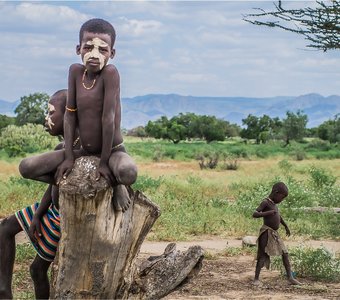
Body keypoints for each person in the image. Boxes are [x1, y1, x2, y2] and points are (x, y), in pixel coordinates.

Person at [19, 18, 137, 212]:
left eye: (102, 50)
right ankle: (65, 182)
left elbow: (108, 119)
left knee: (128, 172)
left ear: (112, 53)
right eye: (88, 47)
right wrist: (68, 157)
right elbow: (70, 115)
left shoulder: (110, 73)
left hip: (113, 150)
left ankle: (116, 185)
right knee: (26, 167)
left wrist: (105, 162)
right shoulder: (75, 72)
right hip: (81, 150)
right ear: (78, 49)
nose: (94, 54)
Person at [0, 90, 79, 299]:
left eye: (51, 113)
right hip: (50, 209)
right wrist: (38, 214)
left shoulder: (82, 152)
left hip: (62, 218)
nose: (47, 118)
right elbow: (53, 186)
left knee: (36, 270)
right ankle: (4, 291)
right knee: (5, 228)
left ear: (69, 115)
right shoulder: (61, 148)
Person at [252, 182, 301, 286]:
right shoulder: (265, 202)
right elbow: (255, 214)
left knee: (285, 253)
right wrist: (267, 213)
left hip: (274, 233)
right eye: (281, 197)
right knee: (263, 254)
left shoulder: (274, 205)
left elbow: (279, 216)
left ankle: (290, 277)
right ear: (276, 192)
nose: (281, 200)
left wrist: (285, 226)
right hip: (266, 232)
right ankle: (256, 279)